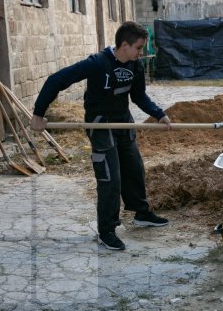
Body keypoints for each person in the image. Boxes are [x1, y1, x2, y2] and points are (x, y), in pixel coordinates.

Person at [32, 21, 171, 251]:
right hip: (100, 123)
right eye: (138, 47)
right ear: (124, 45)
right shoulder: (97, 63)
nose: (141, 52)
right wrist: (38, 114)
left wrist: (159, 114)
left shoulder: (135, 66)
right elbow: (56, 80)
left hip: (123, 122)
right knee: (110, 177)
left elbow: (138, 96)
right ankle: (107, 230)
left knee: (134, 167)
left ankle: (141, 213)